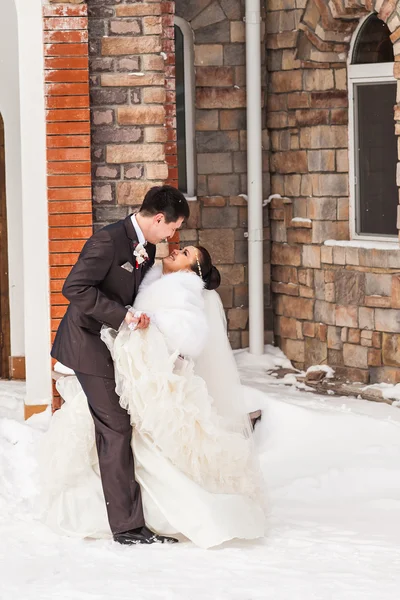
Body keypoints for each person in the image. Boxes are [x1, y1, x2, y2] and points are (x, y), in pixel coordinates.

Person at [39, 246, 266, 549]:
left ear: (191, 269)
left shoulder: (184, 290)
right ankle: (119, 511)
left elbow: (188, 334)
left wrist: (148, 323)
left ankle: (165, 513)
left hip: (154, 377)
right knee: (114, 432)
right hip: (132, 368)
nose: (176, 250)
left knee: (147, 440)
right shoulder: (154, 278)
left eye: (185, 253)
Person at [50, 185, 190, 545]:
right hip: (86, 342)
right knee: (116, 427)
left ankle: (117, 511)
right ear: (159, 219)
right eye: (173, 227)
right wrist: (123, 315)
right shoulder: (108, 240)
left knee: (118, 424)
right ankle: (127, 528)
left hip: (113, 345)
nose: (173, 235)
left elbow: (138, 293)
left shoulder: (149, 247)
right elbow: (75, 288)